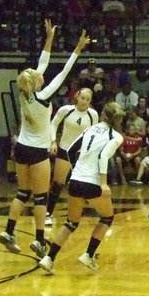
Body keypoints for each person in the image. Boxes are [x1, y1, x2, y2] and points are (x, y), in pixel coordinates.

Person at [0, 20, 88, 257]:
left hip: (21, 148)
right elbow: (63, 72)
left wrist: (49, 38)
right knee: (41, 196)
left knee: (21, 193)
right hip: (37, 151)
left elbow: (43, 63)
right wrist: (77, 50)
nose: (42, 76)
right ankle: (38, 240)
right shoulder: (45, 95)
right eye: (39, 76)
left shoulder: (25, 94)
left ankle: (8, 231)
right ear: (37, 82)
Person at [37, 102, 126, 273]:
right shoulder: (115, 136)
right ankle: (88, 255)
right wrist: (104, 183)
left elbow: (70, 151)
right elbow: (103, 156)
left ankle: (49, 259)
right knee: (107, 217)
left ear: (102, 114)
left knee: (71, 223)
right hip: (92, 182)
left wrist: (77, 170)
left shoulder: (89, 129)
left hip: (75, 181)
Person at [46, 87, 98, 226]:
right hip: (64, 149)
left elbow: (94, 133)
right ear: (77, 97)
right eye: (82, 98)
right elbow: (53, 123)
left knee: (85, 184)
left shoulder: (93, 114)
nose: (84, 101)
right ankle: (48, 213)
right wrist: (53, 141)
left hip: (81, 154)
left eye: (87, 99)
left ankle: (82, 214)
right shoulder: (66, 110)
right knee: (58, 183)